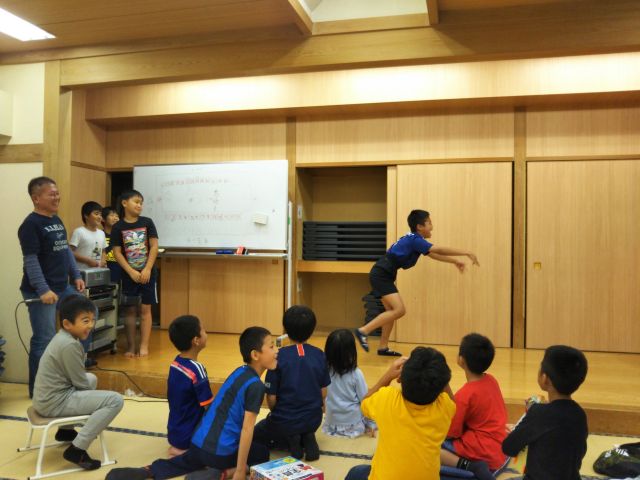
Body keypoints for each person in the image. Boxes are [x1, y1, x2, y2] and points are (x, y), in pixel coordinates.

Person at [106, 326, 276, 480]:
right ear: (255, 355)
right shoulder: (256, 386)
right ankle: (224, 473)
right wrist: (239, 471)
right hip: (219, 454)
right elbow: (247, 430)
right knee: (261, 453)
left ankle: (147, 471)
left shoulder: (239, 371)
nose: (276, 350)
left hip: (197, 443)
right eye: (272, 346)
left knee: (184, 462)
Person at [353, 209, 479, 356]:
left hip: (383, 273)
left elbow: (432, 254)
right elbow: (438, 249)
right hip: (382, 274)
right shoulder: (415, 240)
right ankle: (363, 331)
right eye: (429, 223)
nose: (432, 227)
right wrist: (466, 252)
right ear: (420, 226)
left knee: (391, 311)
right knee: (399, 310)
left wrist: (454, 261)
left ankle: (383, 347)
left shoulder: (415, 240)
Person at [33, 295, 123, 471]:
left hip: (45, 398)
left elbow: (79, 380)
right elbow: (80, 383)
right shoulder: (70, 345)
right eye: (85, 320)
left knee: (92, 378)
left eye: (92, 320)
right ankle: (77, 449)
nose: (91, 325)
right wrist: (96, 408)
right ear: (67, 324)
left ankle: (65, 431)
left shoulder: (63, 337)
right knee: (115, 400)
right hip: (54, 403)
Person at [18, 176, 87, 397]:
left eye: (57, 193)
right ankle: (38, 391)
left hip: (62, 287)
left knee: (86, 317)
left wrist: (75, 275)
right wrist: (43, 290)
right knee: (43, 339)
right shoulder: (30, 225)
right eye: (52, 194)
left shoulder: (56, 220)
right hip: (40, 291)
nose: (57, 197)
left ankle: (72, 378)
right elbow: (31, 261)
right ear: (36, 198)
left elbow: (65, 250)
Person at [345, 346, 456, 480]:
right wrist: (440, 376)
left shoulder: (387, 399)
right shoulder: (444, 407)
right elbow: (453, 402)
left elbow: (365, 402)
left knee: (355, 472)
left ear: (401, 378)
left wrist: (388, 375)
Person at [254, 305, 330, 461]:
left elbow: (271, 398)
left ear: (285, 329)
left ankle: (292, 439)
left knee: (257, 433)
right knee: (302, 422)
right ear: (312, 330)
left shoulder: (278, 357)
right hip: (314, 419)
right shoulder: (319, 354)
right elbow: (323, 393)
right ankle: (306, 435)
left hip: (285, 420)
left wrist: (277, 413)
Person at [502, 345, 589, 480]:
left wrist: (523, 423)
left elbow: (509, 447)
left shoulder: (539, 414)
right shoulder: (579, 414)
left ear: (545, 378)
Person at [441, 333, 508, 480]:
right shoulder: (491, 380)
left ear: (461, 360)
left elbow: (452, 433)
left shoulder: (465, 394)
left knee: (432, 445)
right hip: (500, 448)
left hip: (483, 452)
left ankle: (467, 466)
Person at [111, 189, 159, 358]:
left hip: (148, 274)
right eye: (136, 202)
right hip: (128, 275)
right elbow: (117, 252)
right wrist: (131, 271)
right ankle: (131, 346)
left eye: (141, 203)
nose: (140, 205)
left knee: (146, 309)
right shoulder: (118, 227)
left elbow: (154, 246)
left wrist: (147, 269)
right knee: (130, 310)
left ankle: (144, 346)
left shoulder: (147, 222)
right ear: (125, 203)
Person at [166, 315, 214, 457]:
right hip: (189, 436)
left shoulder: (175, 363)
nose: (206, 333)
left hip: (174, 433)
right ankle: (188, 452)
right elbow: (209, 406)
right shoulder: (197, 369)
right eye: (204, 330)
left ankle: (180, 448)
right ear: (196, 340)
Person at [322, 329, 375, 438]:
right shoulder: (356, 374)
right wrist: (371, 423)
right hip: (353, 424)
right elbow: (365, 399)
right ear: (351, 352)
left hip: (331, 422)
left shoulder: (324, 370)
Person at [70, 201, 107, 269]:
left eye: (100, 215)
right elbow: (70, 252)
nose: (99, 217)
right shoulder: (79, 232)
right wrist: (87, 261)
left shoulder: (101, 233)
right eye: (96, 214)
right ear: (86, 215)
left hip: (98, 271)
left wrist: (103, 260)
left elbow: (103, 251)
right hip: (81, 272)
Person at [101, 206, 121, 283]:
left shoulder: (122, 236)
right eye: (112, 215)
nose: (115, 218)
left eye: (117, 216)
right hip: (104, 269)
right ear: (103, 219)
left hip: (119, 269)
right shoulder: (100, 235)